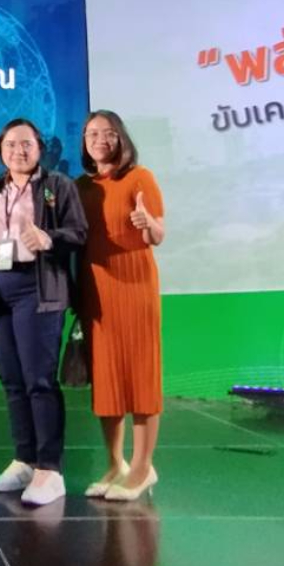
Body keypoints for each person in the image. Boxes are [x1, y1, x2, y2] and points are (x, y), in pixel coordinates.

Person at [0, 119, 86, 507]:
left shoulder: (57, 186)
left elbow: (79, 232)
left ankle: (49, 469)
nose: (18, 151)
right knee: (12, 381)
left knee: (39, 380)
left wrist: (49, 237)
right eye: (10, 144)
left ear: (39, 148)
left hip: (37, 288)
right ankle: (24, 459)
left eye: (26, 144)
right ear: (0, 150)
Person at [76, 110, 166, 502]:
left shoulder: (139, 177)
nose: (100, 139)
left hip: (134, 286)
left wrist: (148, 224)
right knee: (108, 379)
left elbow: (159, 234)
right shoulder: (81, 185)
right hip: (96, 290)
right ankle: (116, 464)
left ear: (121, 138)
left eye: (108, 133)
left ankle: (144, 467)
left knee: (141, 376)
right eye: (92, 133)